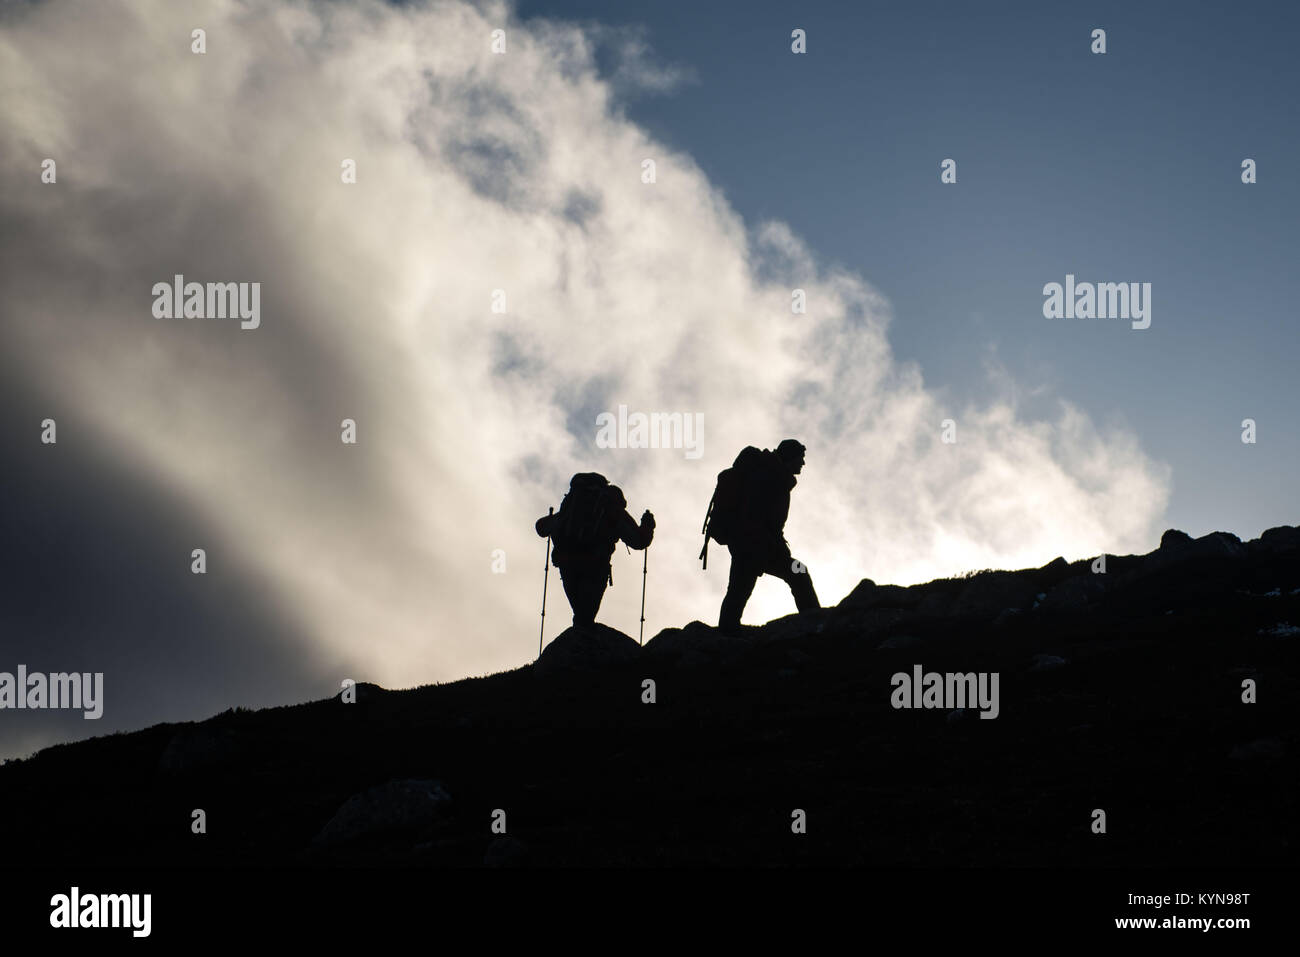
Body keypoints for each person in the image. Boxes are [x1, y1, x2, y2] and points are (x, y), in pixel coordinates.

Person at [717, 439, 819, 632]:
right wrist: (776, 548)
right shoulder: (770, 478)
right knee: (799, 573)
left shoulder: (774, 476)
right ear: (791, 457)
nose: (803, 463)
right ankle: (814, 623)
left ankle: (726, 634)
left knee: (738, 592)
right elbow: (755, 518)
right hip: (753, 547)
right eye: (801, 458)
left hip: (749, 546)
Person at [536, 473, 655, 628]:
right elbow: (639, 541)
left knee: (580, 614)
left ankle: (576, 641)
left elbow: (542, 527)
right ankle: (584, 643)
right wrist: (648, 525)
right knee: (585, 617)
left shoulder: (572, 506)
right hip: (594, 566)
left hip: (567, 564)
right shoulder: (610, 508)